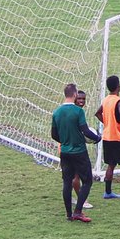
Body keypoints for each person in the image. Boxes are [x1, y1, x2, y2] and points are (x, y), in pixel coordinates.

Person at [50, 83, 100, 224]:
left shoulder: (56, 112)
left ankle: (68, 214)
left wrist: (65, 141)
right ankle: (78, 211)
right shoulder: (78, 112)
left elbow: (54, 135)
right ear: (74, 95)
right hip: (79, 152)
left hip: (64, 152)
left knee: (67, 182)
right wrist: (97, 138)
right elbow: (85, 131)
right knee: (88, 181)